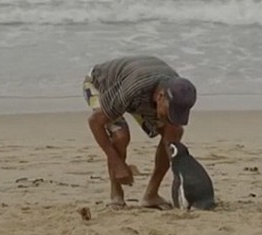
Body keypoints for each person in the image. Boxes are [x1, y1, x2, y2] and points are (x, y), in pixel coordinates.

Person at [82, 55, 197, 209]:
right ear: (160, 97)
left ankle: (151, 195)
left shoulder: (177, 88)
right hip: (101, 84)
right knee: (121, 135)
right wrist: (117, 162)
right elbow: (95, 122)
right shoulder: (134, 88)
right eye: (170, 112)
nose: (171, 117)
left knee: (173, 132)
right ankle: (116, 195)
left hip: (140, 96)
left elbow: (171, 130)